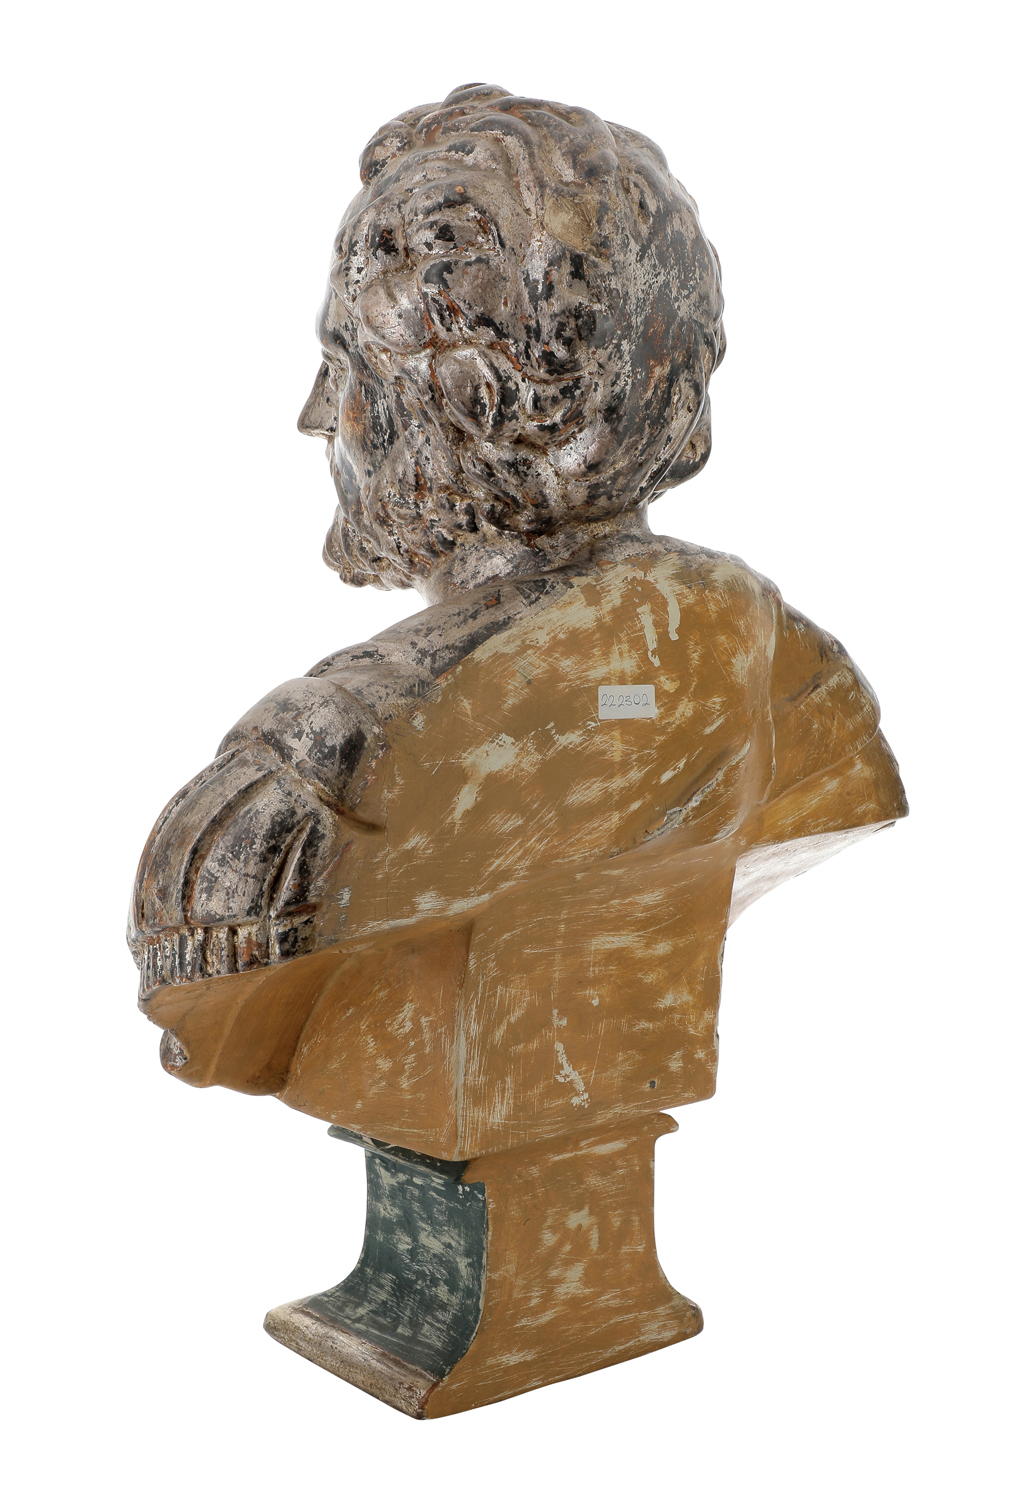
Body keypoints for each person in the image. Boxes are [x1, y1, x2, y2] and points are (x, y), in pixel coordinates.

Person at [129, 85, 906, 1159]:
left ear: (472, 397)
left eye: (344, 365)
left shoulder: (323, 768)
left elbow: (212, 1015)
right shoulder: (801, 681)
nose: (314, 415)